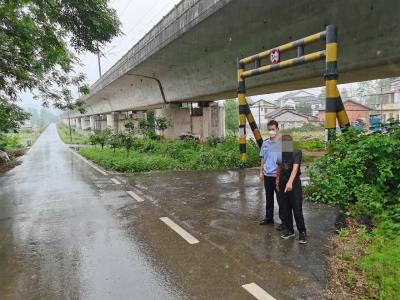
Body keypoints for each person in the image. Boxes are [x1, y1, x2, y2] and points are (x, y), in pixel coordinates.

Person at [276, 134, 307, 244]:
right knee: (285, 207)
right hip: (283, 181)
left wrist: (290, 182)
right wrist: (277, 181)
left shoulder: (296, 152)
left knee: (296, 208)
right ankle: (289, 230)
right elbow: (279, 167)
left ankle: (302, 232)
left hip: (294, 183)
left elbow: (295, 169)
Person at [259, 120, 284, 229]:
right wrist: (261, 172)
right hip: (267, 175)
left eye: (273, 129)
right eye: (269, 130)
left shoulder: (283, 143)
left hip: (278, 176)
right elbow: (263, 159)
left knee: (281, 199)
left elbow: (287, 161)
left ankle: (284, 222)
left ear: (277, 129)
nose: (271, 131)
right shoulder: (265, 143)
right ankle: (269, 218)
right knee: (269, 198)